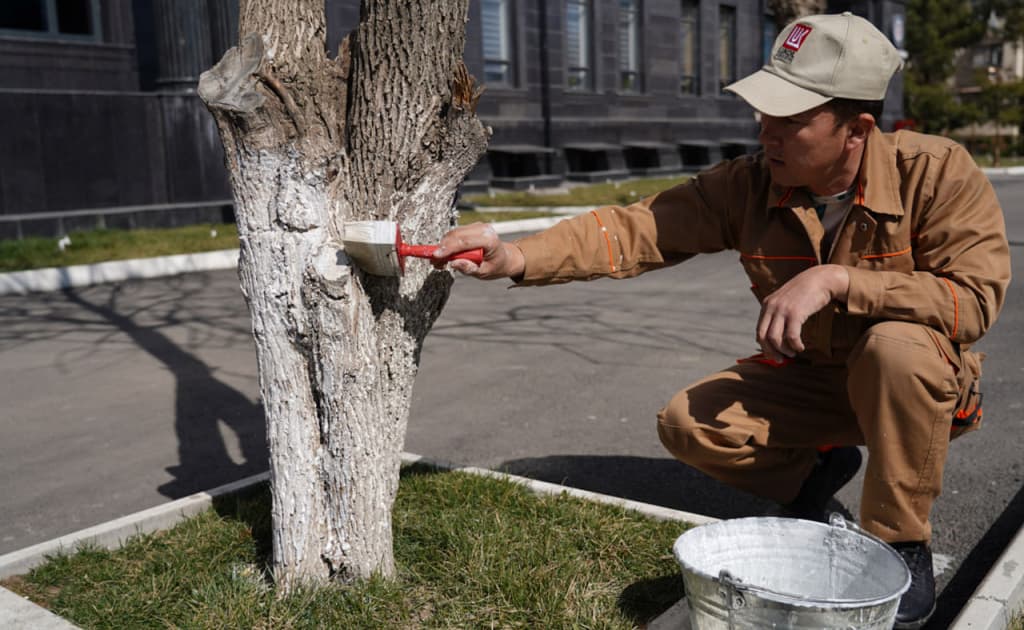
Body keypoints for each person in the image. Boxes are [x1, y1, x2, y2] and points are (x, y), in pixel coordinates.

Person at [434, 12, 1010, 629]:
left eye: (790, 119)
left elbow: (973, 300)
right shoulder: (750, 185)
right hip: (817, 380)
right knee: (690, 423)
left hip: (914, 385)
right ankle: (814, 480)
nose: (767, 133)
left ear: (856, 129)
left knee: (895, 346)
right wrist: (518, 255)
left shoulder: (936, 172)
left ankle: (900, 544)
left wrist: (838, 279)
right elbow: (639, 228)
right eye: (764, 113)